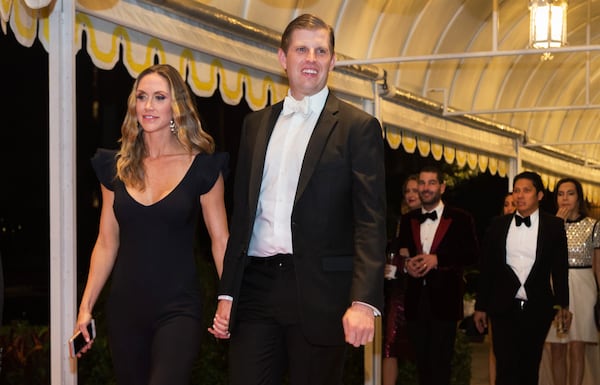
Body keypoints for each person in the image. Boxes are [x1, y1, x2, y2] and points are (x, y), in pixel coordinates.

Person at [209, 13, 387, 385]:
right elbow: (242, 216)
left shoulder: (358, 127)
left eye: (321, 51)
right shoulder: (254, 125)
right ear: (282, 58)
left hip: (321, 293)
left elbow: (371, 220)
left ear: (333, 61)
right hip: (256, 286)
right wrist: (228, 292)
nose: (311, 58)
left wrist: (363, 302)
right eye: (302, 49)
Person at [74, 64, 229, 385]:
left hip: (179, 308)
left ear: (176, 107)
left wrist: (230, 297)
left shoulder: (202, 168)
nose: (148, 105)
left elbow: (220, 240)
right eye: (142, 97)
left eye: (159, 97)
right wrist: (85, 307)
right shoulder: (116, 168)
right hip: (125, 309)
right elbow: (106, 240)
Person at [474, 171, 570, 385]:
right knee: (505, 366)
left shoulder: (554, 226)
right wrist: (481, 306)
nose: (520, 195)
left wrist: (563, 304)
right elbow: (487, 268)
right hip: (502, 306)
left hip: (538, 306)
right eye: (517, 190)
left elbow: (560, 268)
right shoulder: (498, 225)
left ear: (540, 195)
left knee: (529, 367)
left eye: (526, 190)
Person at [397, 165, 479, 385]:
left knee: (441, 364)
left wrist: (438, 260)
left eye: (431, 183)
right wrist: (407, 265)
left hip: (445, 302)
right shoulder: (408, 219)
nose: (425, 188)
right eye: (422, 183)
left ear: (442, 187)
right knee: (421, 364)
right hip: (415, 302)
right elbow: (399, 252)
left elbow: (472, 254)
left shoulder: (461, 218)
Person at [544, 178, 600, 385]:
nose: (565, 198)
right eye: (560, 193)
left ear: (579, 197)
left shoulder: (593, 226)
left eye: (570, 193)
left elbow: (597, 265)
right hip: (556, 286)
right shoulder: (548, 224)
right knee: (557, 346)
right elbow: (544, 257)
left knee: (577, 346)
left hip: (584, 286)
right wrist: (556, 225)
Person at [383, 175, 421, 385]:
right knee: (390, 347)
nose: (410, 194)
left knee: (423, 351)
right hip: (398, 294)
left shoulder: (429, 221)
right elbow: (393, 253)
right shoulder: (400, 222)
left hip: (421, 295)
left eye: (415, 190)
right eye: (407, 191)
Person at [487, 191, 517, 385]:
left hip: (521, 297)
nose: (509, 208)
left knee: (516, 349)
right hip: (497, 296)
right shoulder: (495, 229)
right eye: (506, 204)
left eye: (513, 203)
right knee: (495, 347)